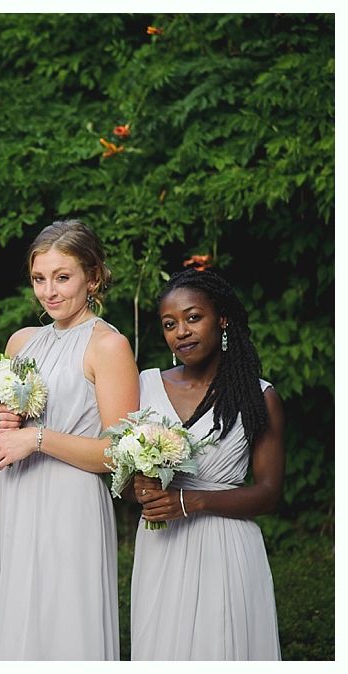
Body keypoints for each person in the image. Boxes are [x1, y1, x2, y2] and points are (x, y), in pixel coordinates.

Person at [0, 219, 139, 660]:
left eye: (62, 277)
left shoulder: (107, 346)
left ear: (93, 277)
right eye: (39, 279)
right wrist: (1, 422)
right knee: (18, 620)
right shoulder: (21, 342)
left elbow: (118, 453)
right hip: (14, 496)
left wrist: (36, 438)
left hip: (69, 504)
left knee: (64, 620)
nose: (48, 291)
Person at [130, 268, 283, 660]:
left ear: (223, 319)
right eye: (170, 324)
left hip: (226, 547)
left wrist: (192, 502)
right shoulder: (144, 386)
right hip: (161, 546)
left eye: (193, 317)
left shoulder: (258, 397)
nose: (181, 331)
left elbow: (269, 494)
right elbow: (123, 470)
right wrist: (138, 486)